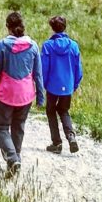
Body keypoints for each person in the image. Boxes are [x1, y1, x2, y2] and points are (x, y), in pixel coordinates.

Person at [0, 11, 44, 178]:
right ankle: (15, 161)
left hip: (7, 94)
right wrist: (40, 96)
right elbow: (38, 74)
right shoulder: (33, 46)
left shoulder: (2, 45)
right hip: (26, 95)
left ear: (7, 27)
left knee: (1, 126)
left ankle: (12, 158)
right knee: (18, 127)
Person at [40, 16, 83, 153]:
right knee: (64, 110)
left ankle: (57, 143)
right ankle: (71, 136)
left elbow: (44, 68)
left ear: (52, 28)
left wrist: (43, 83)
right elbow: (78, 69)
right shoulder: (74, 46)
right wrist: (74, 84)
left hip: (52, 85)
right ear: (65, 27)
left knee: (51, 111)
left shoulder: (48, 46)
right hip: (68, 85)